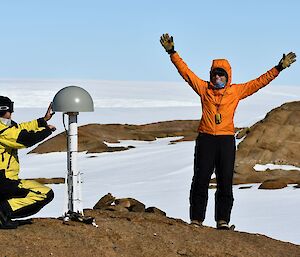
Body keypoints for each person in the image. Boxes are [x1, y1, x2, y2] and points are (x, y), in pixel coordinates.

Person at [160, 33, 296, 229]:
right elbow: (186, 73)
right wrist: (172, 52)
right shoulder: (204, 89)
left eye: (221, 74)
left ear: (228, 76)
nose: (217, 77)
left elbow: (259, 82)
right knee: (201, 179)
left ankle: (222, 221)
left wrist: (279, 68)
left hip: (225, 141)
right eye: (215, 74)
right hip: (206, 139)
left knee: (225, 181)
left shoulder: (236, 91)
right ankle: (196, 220)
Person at [0, 96, 56, 229]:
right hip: (4, 180)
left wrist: (43, 120)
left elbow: (20, 128)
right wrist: (47, 130)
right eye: (10, 109)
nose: (12, 113)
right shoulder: (3, 131)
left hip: (6, 179)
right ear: (3, 110)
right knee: (45, 193)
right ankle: (3, 212)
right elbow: (25, 139)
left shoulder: (5, 126)